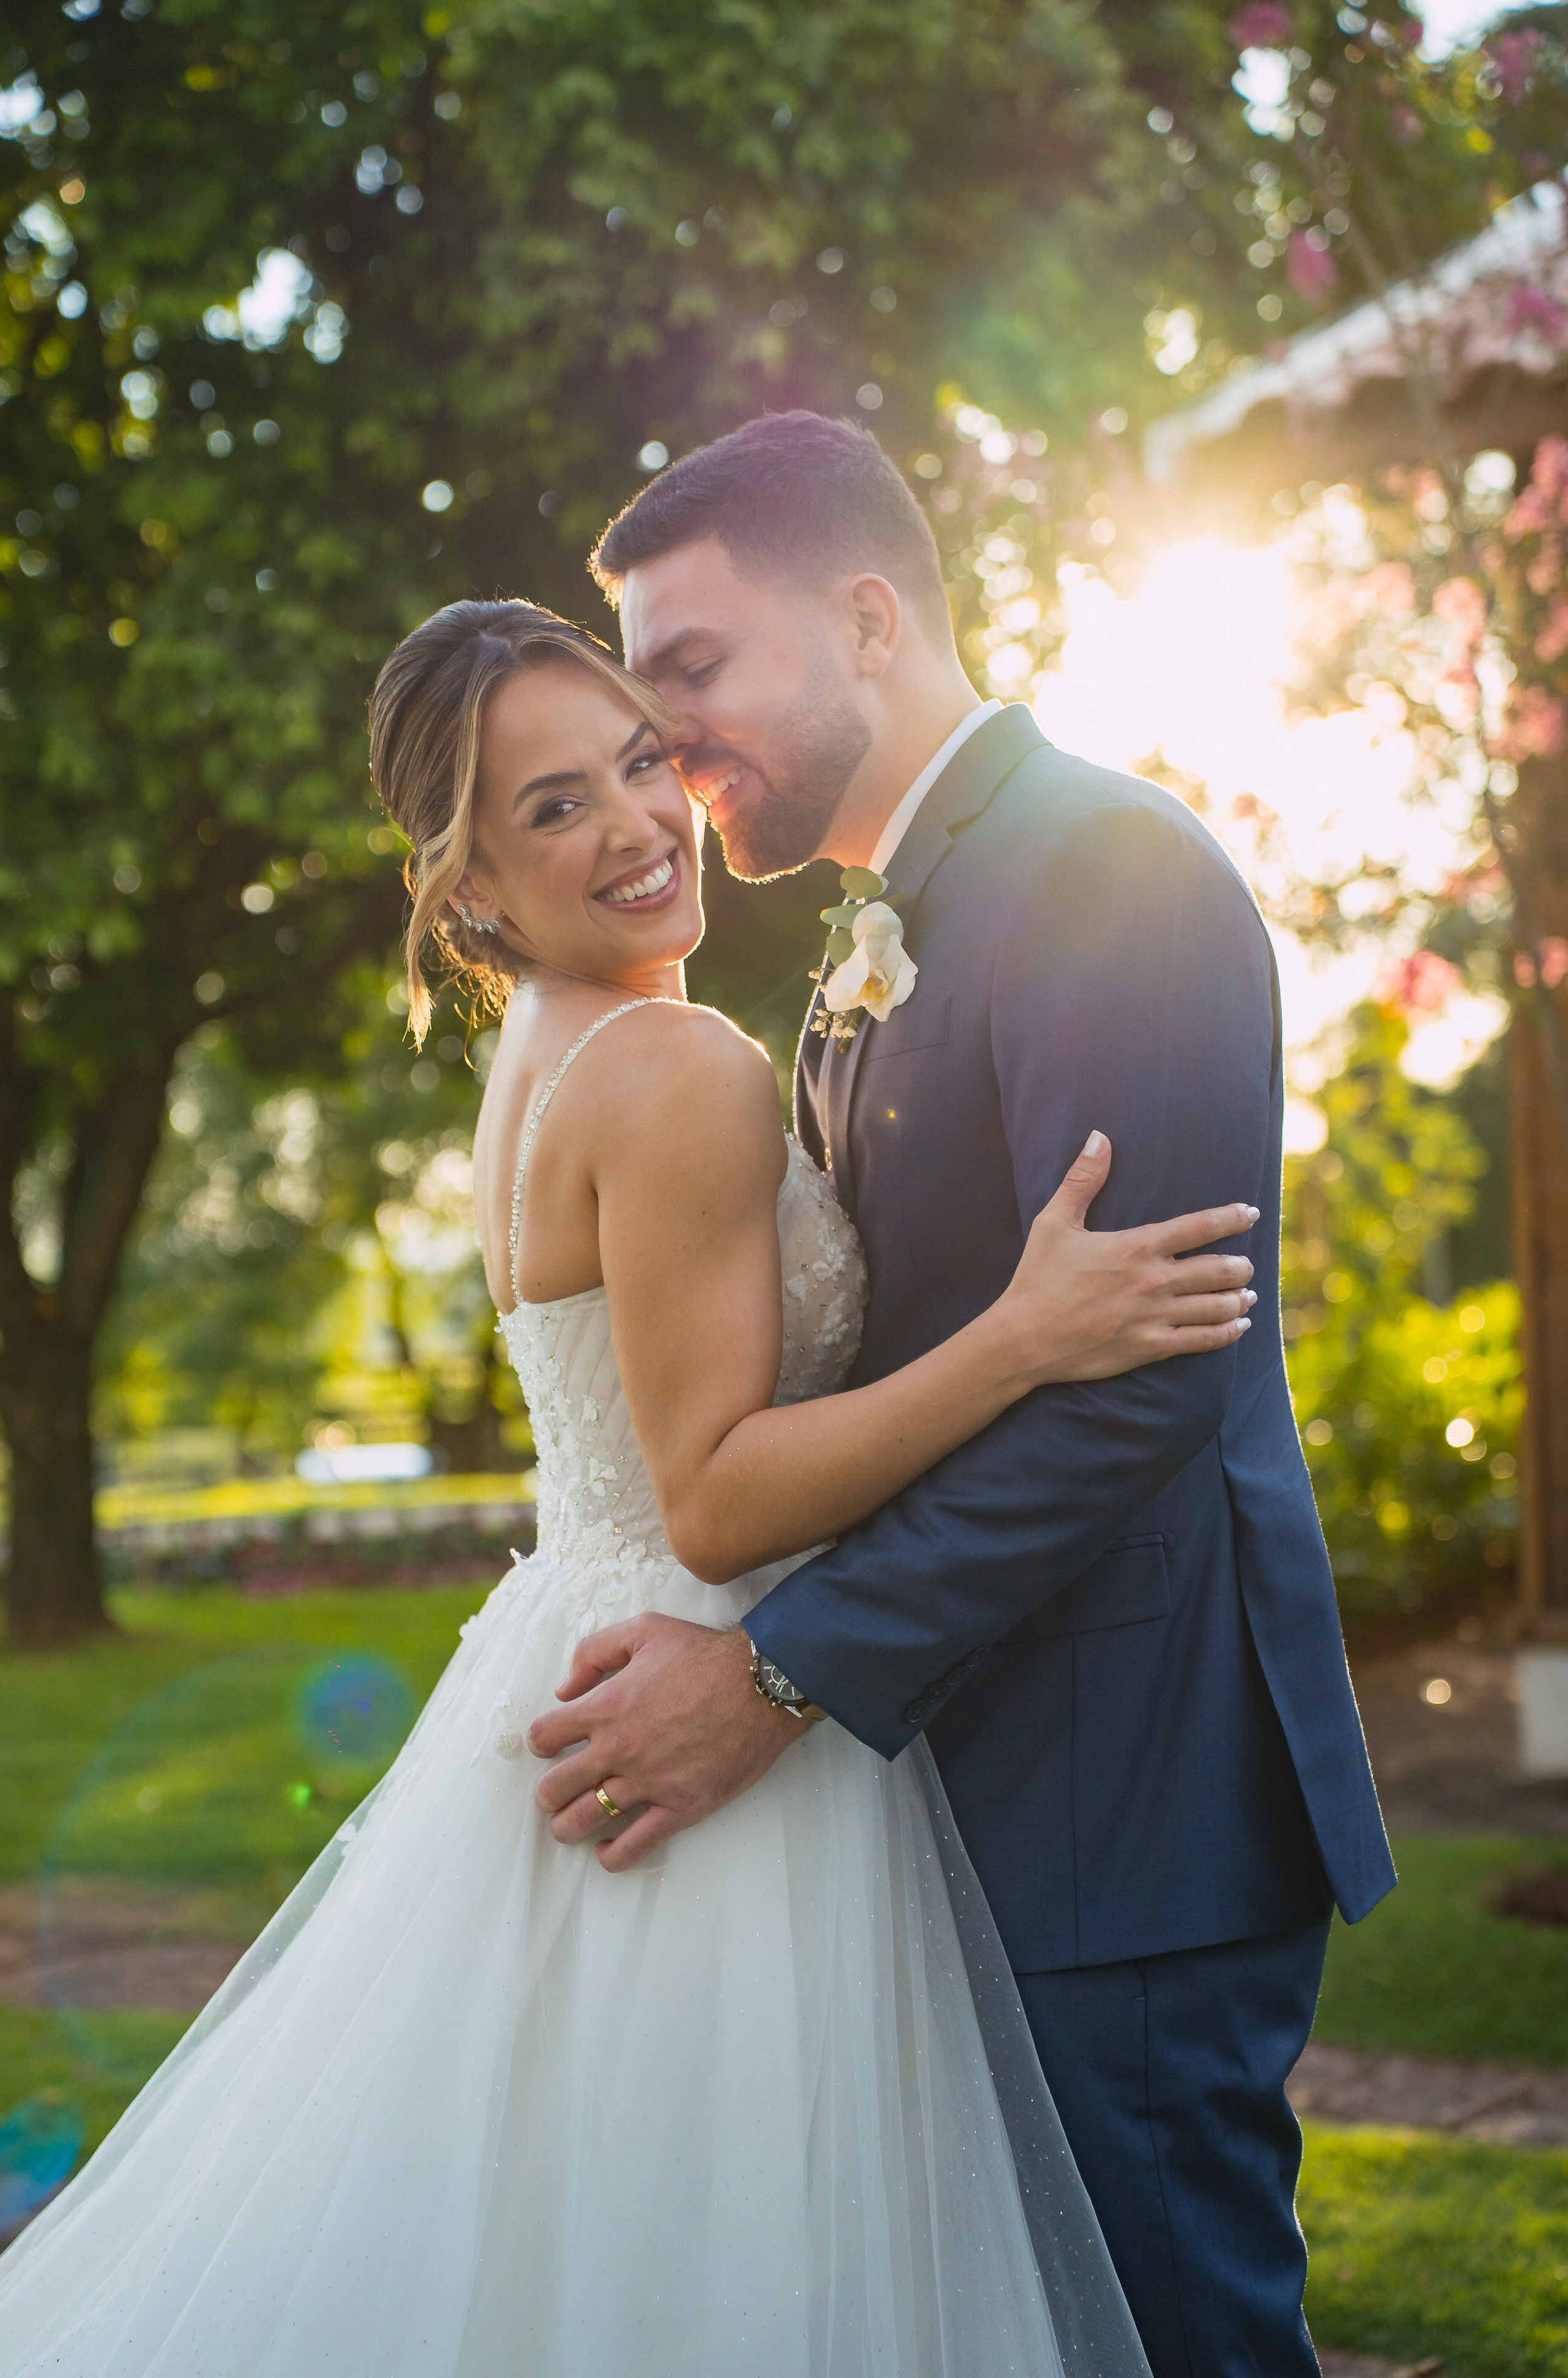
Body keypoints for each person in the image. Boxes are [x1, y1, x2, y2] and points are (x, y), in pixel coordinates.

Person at [0, 596, 1257, 2377]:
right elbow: (721, 1497)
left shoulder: (543, 1062)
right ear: (476, 886)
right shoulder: (669, 1064)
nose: (643, 822)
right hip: (705, 1700)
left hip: (579, 1647)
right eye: (557, 805)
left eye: (643, 760)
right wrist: (1024, 1336)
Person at [529, 411, 1398, 2378]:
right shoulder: (876, 932)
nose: (667, 751)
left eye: (692, 677)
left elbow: (1140, 1386)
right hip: (978, 1775)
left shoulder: (1106, 867)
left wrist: (774, 1679)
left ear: (863, 621)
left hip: (1131, 1794)